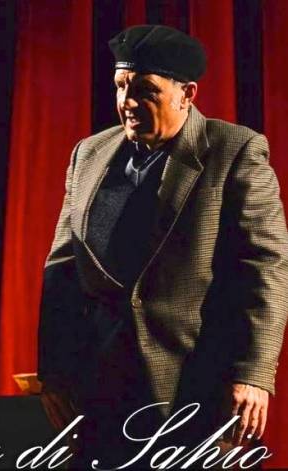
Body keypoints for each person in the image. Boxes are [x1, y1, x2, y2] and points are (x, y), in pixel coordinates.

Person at [38, 24, 288, 468]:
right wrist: (54, 372)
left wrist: (253, 373)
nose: (127, 102)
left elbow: (264, 267)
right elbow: (62, 268)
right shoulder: (88, 154)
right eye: (121, 86)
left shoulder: (233, 151)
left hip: (196, 391)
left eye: (145, 90)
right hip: (98, 395)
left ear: (186, 94)